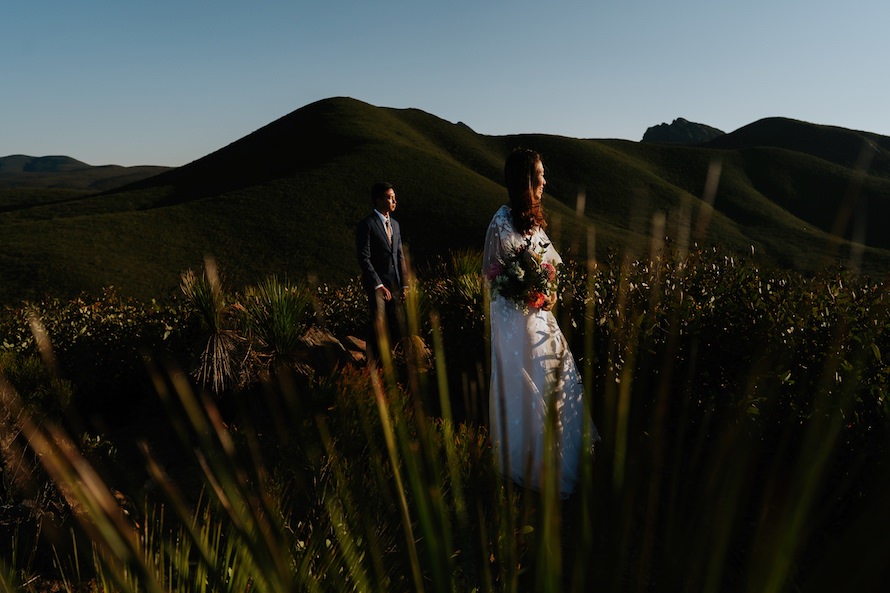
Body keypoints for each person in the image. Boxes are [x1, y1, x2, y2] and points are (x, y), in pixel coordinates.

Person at [483, 148, 599, 498]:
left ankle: (565, 456)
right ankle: (532, 464)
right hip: (513, 320)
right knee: (525, 386)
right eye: (540, 175)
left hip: (540, 318)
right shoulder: (500, 221)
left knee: (556, 378)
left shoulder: (535, 221)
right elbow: (491, 276)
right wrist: (520, 292)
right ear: (526, 181)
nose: (545, 181)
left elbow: (551, 270)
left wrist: (548, 295)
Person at [356, 181, 408, 360]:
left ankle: (390, 365)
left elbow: (400, 256)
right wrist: (378, 284)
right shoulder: (367, 224)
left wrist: (405, 285)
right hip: (377, 286)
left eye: (394, 197)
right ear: (378, 200)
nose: (394, 200)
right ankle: (372, 366)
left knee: (395, 326)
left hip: (395, 286)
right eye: (389, 197)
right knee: (377, 327)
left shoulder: (395, 225)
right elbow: (364, 257)